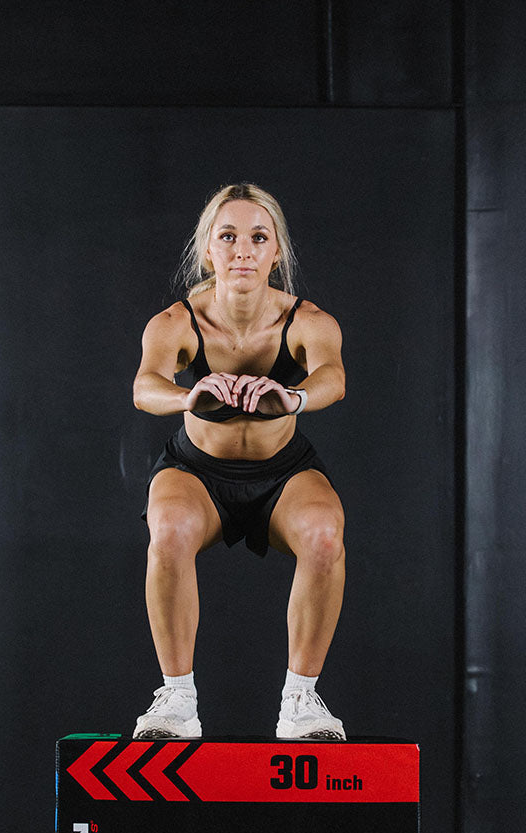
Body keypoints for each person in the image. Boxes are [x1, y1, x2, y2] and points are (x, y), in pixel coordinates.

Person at [132, 183, 346, 741]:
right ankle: (176, 702)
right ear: (208, 250)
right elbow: (145, 386)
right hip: (198, 472)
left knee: (325, 533)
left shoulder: (308, 320)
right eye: (227, 237)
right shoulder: (177, 322)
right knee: (168, 527)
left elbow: (333, 377)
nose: (243, 250)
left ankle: (301, 702)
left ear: (277, 251)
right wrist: (189, 396)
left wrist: (293, 399)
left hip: (282, 473)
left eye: (258, 237)